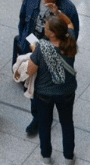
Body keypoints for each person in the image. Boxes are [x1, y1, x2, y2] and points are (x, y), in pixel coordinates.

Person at [26, 16, 78, 164]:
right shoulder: (71, 40)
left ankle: (46, 156)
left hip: (44, 94)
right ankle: (68, 157)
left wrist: (34, 51)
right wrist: (58, 12)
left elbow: (30, 71)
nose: (44, 29)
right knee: (67, 123)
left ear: (53, 33)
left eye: (47, 28)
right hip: (66, 92)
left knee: (44, 124)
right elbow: (70, 23)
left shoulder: (41, 48)